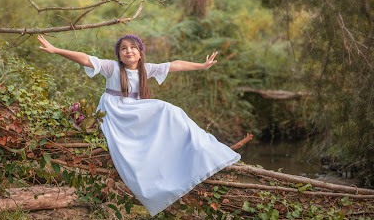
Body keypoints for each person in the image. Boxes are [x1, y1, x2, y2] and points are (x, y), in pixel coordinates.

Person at [38, 34, 241, 216]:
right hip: (116, 111)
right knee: (164, 108)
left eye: (133, 47)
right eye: (124, 48)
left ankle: (198, 146)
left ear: (141, 53)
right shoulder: (112, 68)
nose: (129, 51)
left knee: (172, 112)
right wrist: (56, 50)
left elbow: (175, 64)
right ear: (119, 54)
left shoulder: (146, 69)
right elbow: (85, 58)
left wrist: (201, 66)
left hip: (134, 110)